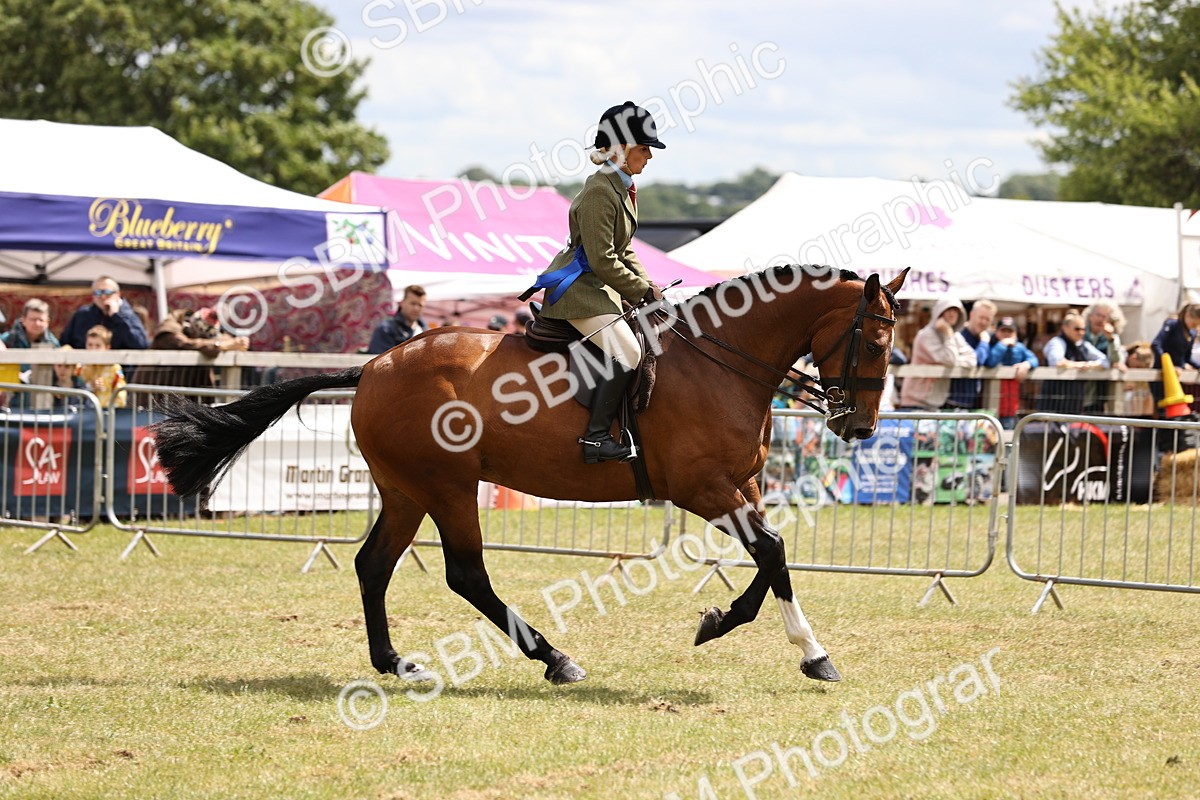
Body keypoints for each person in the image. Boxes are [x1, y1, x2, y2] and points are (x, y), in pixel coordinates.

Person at [522, 101, 665, 463]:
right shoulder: (602, 189)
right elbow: (602, 259)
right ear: (620, 148)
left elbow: (624, 248)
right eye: (643, 148)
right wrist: (639, 290)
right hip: (580, 291)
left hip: (597, 287)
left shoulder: (621, 186)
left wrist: (649, 286)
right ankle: (596, 439)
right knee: (629, 352)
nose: (648, 156)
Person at [135, 307, 250, 390]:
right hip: (156, 389)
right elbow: (183, 343)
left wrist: (237, 342)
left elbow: (225, 339)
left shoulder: (211, 330)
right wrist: (219, 345)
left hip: (187, 393)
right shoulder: (172, 324)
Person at [897, 297, 977, 412]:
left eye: (956, 311)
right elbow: (950, 360)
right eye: (948, 310)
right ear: (939, 311)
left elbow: (972, 359)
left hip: (935, 403)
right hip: (915, 402)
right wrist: (948, 334)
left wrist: (954, 359)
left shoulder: (955, 336)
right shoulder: (925, 335)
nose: (952, 314)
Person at [1037, 313, 1110, 414]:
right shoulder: (1057, 342)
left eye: (1083, 329)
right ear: (1065, 328)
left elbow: (1105, 361)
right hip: (1053, 401)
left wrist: (1090, 365)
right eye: (1077, 329)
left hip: (1075, 402)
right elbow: (1057, 362)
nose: (1081, 332)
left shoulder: (1084, 345)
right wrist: (1078, 365)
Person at [59, 276, 150, 351]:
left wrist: (116, 316)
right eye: (98, 293)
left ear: (117, 294)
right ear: (93, 296)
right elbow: (65, 342)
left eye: (107, 292)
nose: (103, 297)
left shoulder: (130, 315)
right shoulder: (83, 315)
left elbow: (141, 344)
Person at [984, 316, 1039, 429]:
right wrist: (1002, 345)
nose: (1006, 334)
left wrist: (1026, 364)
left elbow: (1034, 359)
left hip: (1011, 408)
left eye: (1010, 331)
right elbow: (990, 362)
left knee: (1008, 440)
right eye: (1003, 330)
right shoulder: (990, 345)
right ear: (997, 332)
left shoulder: (1019, 348)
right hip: (989, 406)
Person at [946, 300, 996, 410]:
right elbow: (977, 361)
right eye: (981, 317)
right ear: (972, 315)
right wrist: (984, 342)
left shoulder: (989, 338)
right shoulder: (958, 334)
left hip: (976, 401)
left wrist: (1027, 363)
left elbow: (992, 360)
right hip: (954, 400)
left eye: (987, 319)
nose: (983, 322)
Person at [1150, 303, 1200, 407]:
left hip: (1177, 378)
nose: (1195, 327)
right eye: (1194, 324)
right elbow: (1156, 344)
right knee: (1161, 410)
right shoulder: (1172, 324)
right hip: (1162, 374)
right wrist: (1169, 366)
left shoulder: (1192, 333)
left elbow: (1187, 357)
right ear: (1188, 316)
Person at [1082, 301, 1127, 412]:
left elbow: (1116, 360)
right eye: (1098, 315)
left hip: (1099, 392)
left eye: (1105, 317)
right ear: (1090, 316)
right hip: (1078, 389)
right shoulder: (1079, 331)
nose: (1101, 319)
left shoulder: (1113, 338)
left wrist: (1111, 340)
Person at [2, 298, 61, 380]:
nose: (37, 323)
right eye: (33, 319)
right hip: (11, 385)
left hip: (41, 386)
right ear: (23, 320)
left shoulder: (53, 344)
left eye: (41, 320)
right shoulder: (8, 339)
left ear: (47, 322)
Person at [367, 285, 428, 354]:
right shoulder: (386, 330)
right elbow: (380, 361)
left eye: (420, 305)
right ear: (402, 303)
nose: (416, 308)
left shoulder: (426, 332)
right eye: (412, 303)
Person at [79, 326, 127, 408]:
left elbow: (120, 394)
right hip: (86, 413)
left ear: (107, 348)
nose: (93, 349)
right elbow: (78, 391)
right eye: (90, 345)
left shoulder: (114, 368)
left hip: (108, 413)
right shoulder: (82, 368)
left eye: (98, 346)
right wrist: (91, 387)